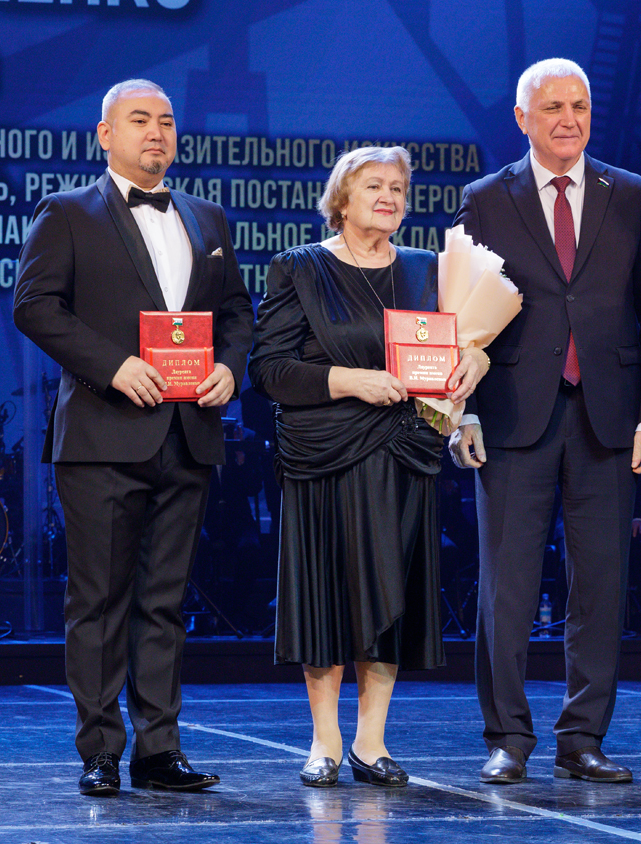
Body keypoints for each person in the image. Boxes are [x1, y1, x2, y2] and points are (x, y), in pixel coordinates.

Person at [13, 79, 253, 796]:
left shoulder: (207, 217)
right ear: (105, 134)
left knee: (164, 603)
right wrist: (113, 365)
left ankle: (159, 751)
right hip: (102, 435)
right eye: (140, 120)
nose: (156, 132)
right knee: (99, 601)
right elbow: (34, 306)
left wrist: (229, 368)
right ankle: (100, 751)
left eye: (166, 121)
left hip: (188, 434)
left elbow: (237, 312)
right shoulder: (67, 212)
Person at [449, 58, 641, 784]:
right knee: (506, 588)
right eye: (552, 107)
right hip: (512, 414)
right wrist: (462, 411)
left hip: (609, 416)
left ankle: (582, 737)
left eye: (579, 105)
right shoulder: (486, 198)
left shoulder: (629, 194)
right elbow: (460, 313)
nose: (568, 119)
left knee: (600, 586)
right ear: (522, 119)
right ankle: (507, 738)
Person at [248, 146, 488, 788]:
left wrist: (473, 373)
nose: (388, 197)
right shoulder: (299, 267)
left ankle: (370, 741)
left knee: (390, 594)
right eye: (373, 186)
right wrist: (352, 380)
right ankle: (324, 741)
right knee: (326, 597)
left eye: (398, 188)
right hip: (324, 453)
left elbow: (454, 354)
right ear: (342, 200)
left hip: (405, 450)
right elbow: (269, 370)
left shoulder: (426, 269)